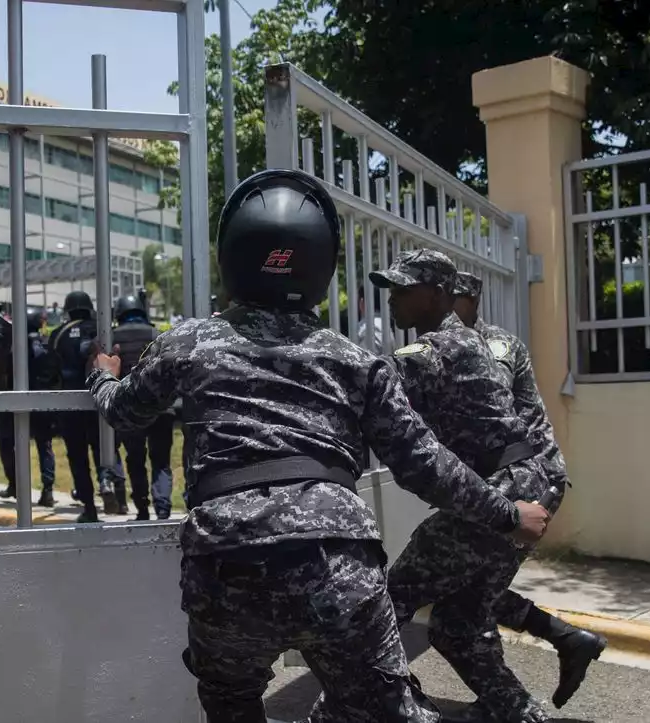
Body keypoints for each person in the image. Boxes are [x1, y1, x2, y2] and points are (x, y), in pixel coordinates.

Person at [85, 168, 550, 723]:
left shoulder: (189, 342)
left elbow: (124, 412)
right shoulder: (354, 360)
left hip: (227, 565)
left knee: (232, 706)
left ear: (232, 255)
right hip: (337, 565)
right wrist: (505, 512)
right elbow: (424, 464)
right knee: (382, 711)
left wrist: (101, 374)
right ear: (321, 265)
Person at [370, 249, 555, 723]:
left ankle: (375, 707)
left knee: (384, 604)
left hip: (500, 492)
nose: (391, 300)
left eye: (402, 290)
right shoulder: (466, 343)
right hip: (519, 485)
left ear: (435, 294)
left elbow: (362, 388)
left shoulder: (432, 352)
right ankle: (521, 713)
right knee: (457, 625)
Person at [451, 270, 607, 710]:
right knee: (473, 590)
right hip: (514, 483)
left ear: (469, 300)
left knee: (467, 599)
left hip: (525, 483)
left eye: (452, 297)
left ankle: (508, 703)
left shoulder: (491, 346)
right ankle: (565, 642)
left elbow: (484, 410)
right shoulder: (453, 344)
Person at [48, 290, 122, 522]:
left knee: (78, 457)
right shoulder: (101, 331)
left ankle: (89, 508)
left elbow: (51, 370)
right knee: (104, 449)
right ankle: (107, 482)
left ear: (68, 310)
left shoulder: (58, 334)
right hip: (98, 398)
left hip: (69, 405)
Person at [111, 293, 175, 520]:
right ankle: (163, 507)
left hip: (131, 410)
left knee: (135, 459)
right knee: (161, 461)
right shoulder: (158, 334)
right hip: (162, 409)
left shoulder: (111, 337)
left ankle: (142, 510)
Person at [0, 305, 59, 507]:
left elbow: (0, 372)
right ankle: (47, 490)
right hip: (41, 402)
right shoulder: (47, 345)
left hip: (13, 401)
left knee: (6, 442)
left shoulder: (12, 346)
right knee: (44, 445)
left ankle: (15, 484)